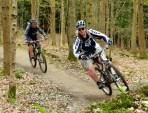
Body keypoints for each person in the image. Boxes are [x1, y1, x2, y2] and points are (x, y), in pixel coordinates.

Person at [73, 20, 112, 89]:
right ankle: (98, 82)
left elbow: (101, 35)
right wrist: (80, 56)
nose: (82, 30)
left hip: (95, 49)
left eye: (83, 28)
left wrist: (108, 40)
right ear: (78, 30)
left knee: (105, 61)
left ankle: (113, 74)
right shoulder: (78, 39)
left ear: (85, 28)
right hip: (85, 55)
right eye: (79, 29)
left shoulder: (90, 32)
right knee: (90, 69)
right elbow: (75, 51)